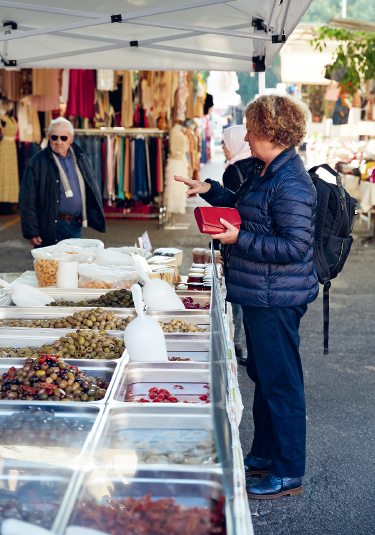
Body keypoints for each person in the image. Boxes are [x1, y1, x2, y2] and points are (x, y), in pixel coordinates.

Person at [175, 94, 318, 500]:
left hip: (276, 299)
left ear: (272, 132)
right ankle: (264, 455)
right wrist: (209, 189)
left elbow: (294, 247)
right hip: (261, 294)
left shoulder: (291, 183)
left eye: (253, 131)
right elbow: (243, 206)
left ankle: (288, 473)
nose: (248, 138)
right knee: (266, 379)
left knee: (282, 384)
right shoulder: (267, 169)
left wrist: (241, 238)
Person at [19, 117, 105, 247]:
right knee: (50, 266)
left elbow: (90, 186)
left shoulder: (80, 157)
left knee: (75, 263)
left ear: (71, 138)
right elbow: (27, 198)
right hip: (50, 226)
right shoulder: (38, 162)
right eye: (54, 137)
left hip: (75, 225)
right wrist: (31, 231)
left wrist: (86, 212)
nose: (58, 142)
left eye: (63, 138)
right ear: (48, 137)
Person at [220, 125, 252, 365]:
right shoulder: (257, 164)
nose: (222, 147)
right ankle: (245, 346)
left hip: (238, 241)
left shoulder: (233, 170)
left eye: (224, 142)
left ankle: (236, 343)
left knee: (237, 297)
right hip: (250, 241)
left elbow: (231, 210)